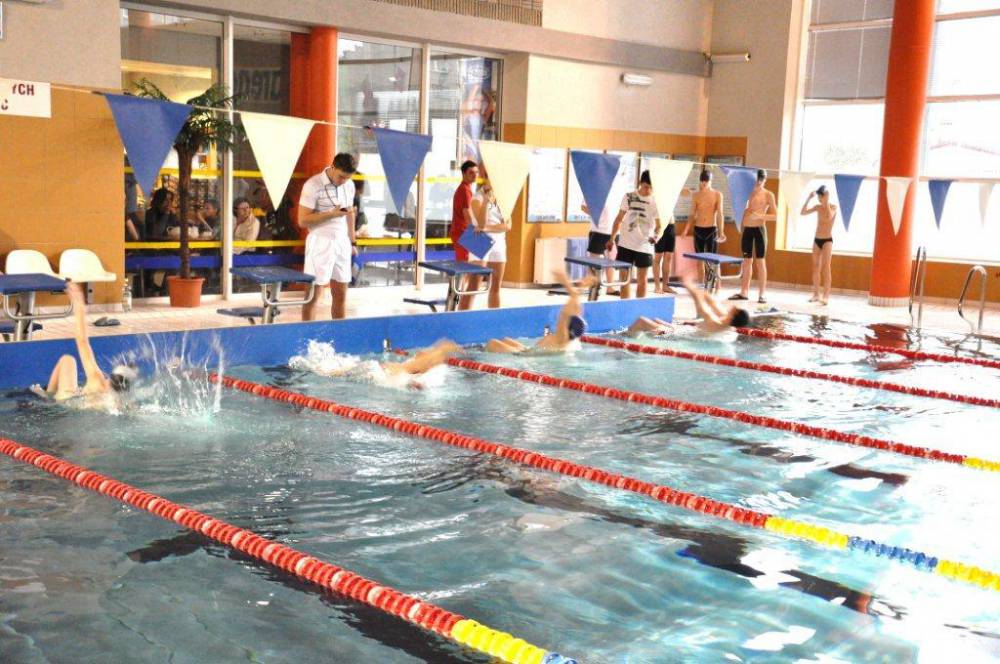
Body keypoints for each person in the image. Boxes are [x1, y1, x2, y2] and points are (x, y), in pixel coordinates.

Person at [31, 282, 134, 409]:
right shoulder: (121, 404)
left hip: (66, 403)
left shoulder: (98, 381)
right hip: (79, 410)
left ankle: (47, 396)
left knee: (68, 359)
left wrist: (79, 306)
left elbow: (82, 341)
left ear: (110, 381)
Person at [298, 153, 358, 321]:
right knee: (313, 296)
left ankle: (339, 334)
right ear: (332, 167)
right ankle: (308, 334)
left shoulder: (349, 185)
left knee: (341, 295)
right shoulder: (313, 185)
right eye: (341, 176)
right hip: (320, 241)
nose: (343, 181)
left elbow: (349, 214)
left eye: (347, 177)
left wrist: (352, 242)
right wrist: (331, 214)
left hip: (342, 241)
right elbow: (302, 220)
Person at [486, 272, 595, 354]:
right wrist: (580, 288)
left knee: (491, 343)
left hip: (525, 357)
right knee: (505, 339)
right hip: (529, 351)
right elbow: (576, 310)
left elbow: (565, 314)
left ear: (566, 327)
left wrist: (567, 284)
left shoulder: (562, 337)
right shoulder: (573, 338)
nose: (560, 321)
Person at [298, 340, 462, 391]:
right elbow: (416, 381)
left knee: (335, 371)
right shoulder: (433, 364)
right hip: (379, 372)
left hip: (381, 368)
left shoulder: (426, 358)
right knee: (329, 372)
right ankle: (312, 368)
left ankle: (313, 366)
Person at [606, 170, 661, 299]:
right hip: (626, 244)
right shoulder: (629, 197)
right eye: (646, 187)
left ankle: (639, 309)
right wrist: (611, 238)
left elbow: (659, 226)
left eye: (651, 188)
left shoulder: (655, 202)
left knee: (642, 280)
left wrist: (656, 236)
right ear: (640, 183)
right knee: (624, 280)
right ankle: (625, 308)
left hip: (644, 246)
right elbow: (619, 219)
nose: (648, 191)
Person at [731, 169, 777, 304]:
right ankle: (744, 292)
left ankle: (762, 294)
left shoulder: (768, 194)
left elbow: (775, 216)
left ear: (764, 180)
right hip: (747, 230)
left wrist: (760, 216)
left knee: (760, 262)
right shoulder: (747, 193)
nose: (758, 183)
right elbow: (738, 209)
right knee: (747, 261)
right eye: (756, 180)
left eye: (761, 180)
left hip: (759, 230)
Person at [469, 172, 510, 309]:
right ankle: (462, 316)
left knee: (496, 285)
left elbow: (508, 226)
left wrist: (487, 228)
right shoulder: (477, 198)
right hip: (478, 240)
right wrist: (486, 202)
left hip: (499, 242)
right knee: (474, 285)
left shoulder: (502, 199)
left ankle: (495, 317)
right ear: (487, 178)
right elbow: (480, 224)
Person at [680, 168, 726, 290]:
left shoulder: (717, 195)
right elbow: (692, 214)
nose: (704, 183)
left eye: (706, 181)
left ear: (711, 181)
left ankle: (717, 286)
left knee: (714, 260)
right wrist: (686, 230)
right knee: (699, 259)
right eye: (702, 181)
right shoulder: (696, 195)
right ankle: (702, 285)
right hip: (698, 230)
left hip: (712, 230)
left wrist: (721, 232)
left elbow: (720, 214)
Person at [801, 185, 837, 305]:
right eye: (819, 197)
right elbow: (803, 212)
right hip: (817, 240)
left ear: (826, 196)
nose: (820, 199)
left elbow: (829, 217)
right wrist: (808, 198)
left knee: (826, 267)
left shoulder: (833, 207)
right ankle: (816, 295)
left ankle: (826, 296)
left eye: (821, 197)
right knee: (815, 267)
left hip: (827, 240)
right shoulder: (817, 207)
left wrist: (826, 203)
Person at [451, 160, 479, 309]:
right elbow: (468, 216)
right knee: (464, 270)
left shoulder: (466, 189)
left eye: (476, 172)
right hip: (463, 235)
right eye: (471, 173)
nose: (475, 175)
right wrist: (478, 235)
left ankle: (460, 303)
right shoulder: (464, 190)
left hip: (463, 233)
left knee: (467, 271)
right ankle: (458, 303)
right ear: (463, 173)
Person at [682, 276, 750, 335]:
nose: (734, 306)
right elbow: (712, 302)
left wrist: (687, 282)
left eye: (736, 309)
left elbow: (701, 306)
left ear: (734, 314)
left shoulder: (715, 323)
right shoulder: (725, 318)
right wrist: (700, 291)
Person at [653, 213, 677, 294]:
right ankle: (657, 286)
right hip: (660, 226)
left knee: (668, 257)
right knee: (658, 257)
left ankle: (665, 286)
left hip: (671, 226)